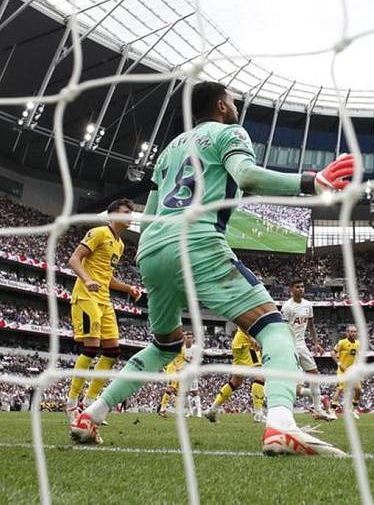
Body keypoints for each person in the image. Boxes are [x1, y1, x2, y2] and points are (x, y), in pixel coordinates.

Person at [70, 81, 354, 456]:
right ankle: (281, 423)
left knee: (163, 345)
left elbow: (151, 214)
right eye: (233, 102)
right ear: (221, 105)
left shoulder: (169, 150)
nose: (236, 107)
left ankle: (92, 413)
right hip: (197, 240)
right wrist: (309, 182)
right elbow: (247, 176)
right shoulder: (229, 132)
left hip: (153, 249)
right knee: (275, 329)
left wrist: (150, 258)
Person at [65, 198, 141, 423]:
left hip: (104, 299)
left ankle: (90, 402)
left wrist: (128, 287)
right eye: (126, 211)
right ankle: (71, 404)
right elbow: (74, 260)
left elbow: (107, 278)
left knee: (113, 351)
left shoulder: (120, 244)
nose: (130, 215)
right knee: (91, 348)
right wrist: (87, 280)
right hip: (86, 296)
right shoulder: (98, 233)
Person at [281, 278, 334, 420]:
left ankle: (318, 410)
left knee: (314, 374)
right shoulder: (287, 308)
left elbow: (311, 325)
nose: (301, 289)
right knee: (296, 389)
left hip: (301, 345)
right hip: (289, 346)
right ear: (291, 289)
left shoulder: (308, 305)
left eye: (302, 287)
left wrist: (316, 342)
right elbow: (283, 329)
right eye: (297, 287)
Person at [203, 327, 267, 423]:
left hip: (240, 343)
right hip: (247, 344)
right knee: (260, 375)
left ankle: (212, 410)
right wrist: (251, 338)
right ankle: (258, 414)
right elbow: (241, 322)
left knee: (236, 381)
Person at [158, 332, 202, 418]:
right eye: (184, 337)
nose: (186, 339)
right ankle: (162, 409)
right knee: (170, 389)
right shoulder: (176, 347)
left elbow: (184, 360)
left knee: (178, 392)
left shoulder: (183, 349)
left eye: (187, 337)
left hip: (180, 372)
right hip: (173, 371)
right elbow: (171, 358)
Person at [330, 325, 361, 419]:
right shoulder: (342, 342)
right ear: (347, 332)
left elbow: (356, 356)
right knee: (340, 389)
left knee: (358, 390)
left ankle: (353, 410)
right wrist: (339, 364)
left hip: (353, 371)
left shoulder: (358, 343)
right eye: (351, 331)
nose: (354, 333)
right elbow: (332, 353)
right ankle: (332, 411)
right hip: (342, 370)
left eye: (355, 331)